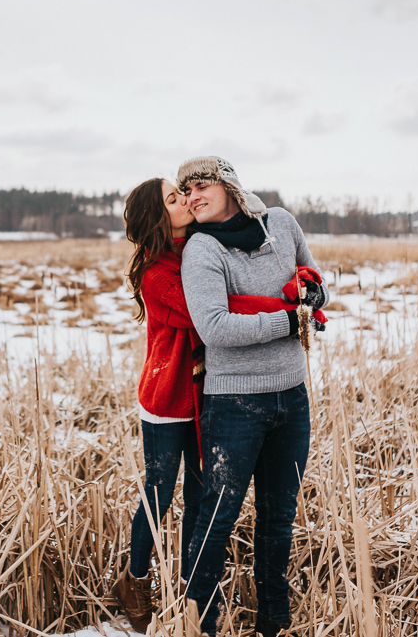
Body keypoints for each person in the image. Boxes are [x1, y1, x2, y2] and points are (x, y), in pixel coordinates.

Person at [177, 156, 328, 637]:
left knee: (278, 518)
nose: (192, 196)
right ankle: (199, 624)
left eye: (201, 185)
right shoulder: (201, 250)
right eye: (185, 191)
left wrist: (314, 295)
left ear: (228, 185)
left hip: (292, 398)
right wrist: (288, 321)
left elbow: (316, 279)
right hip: (234, 406)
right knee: (216, 520)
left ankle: (273, 622)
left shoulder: (281, 223)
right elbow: (214, 327)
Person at [113, 177, 204, 632]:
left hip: (205, 395)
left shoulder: (198, 248)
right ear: (159, 219)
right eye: (174, 199)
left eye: (181, 193)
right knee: (159, 495)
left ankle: (193, 585)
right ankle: (136, 578)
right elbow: (207, 313)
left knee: (201, 493)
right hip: (167, 399)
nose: (185, 201)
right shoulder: (156, 274)